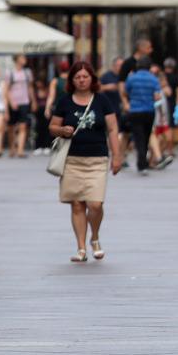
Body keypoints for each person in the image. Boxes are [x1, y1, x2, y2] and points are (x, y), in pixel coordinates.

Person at [48, 62, 121, 262]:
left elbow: (112, 128)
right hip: (71, 160)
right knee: (77, 204)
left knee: (95, 204)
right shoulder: (65, 101)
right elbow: (52, 126)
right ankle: (81, 248)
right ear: (71, 80)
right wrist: (62, 130)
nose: (81, 80)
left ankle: (94, 237)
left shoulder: (102, 100)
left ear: (92, 79)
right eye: (77, 77)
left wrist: (117, 155)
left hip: (97, 159)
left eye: (85, 77)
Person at [124, 57, 162, 176]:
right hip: (149, 111)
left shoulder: (132, 78)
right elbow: (157, 97)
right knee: (146, 136)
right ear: (149, 67)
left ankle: (141, 163)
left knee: (138, 137)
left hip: (135, 111)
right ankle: (143, 161)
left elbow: (126, 92)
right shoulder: (153, 79)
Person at [5, 54, 34, 158]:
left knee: (23, 125)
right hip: (13, 101)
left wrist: (33, 100)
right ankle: (12, 147)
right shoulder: (10, 73)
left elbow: (30, 87)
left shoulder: (27, 72)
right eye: (22, 58)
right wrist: (11, 102)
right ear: (16, 60)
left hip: (24, 101)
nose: (24, 60)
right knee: (11, 127)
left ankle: (20, 150)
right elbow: (6, 89)